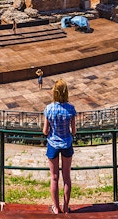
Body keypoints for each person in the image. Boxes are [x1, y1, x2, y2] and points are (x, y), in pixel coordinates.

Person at [43, 79, 76, 215]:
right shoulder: (71, 109)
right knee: (66, 177)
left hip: (53, 144)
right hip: (66, 144)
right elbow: (73, 131)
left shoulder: (49, 109)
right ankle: (66, 207)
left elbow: (45, 131)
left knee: (54, 177)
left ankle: (56, 208)